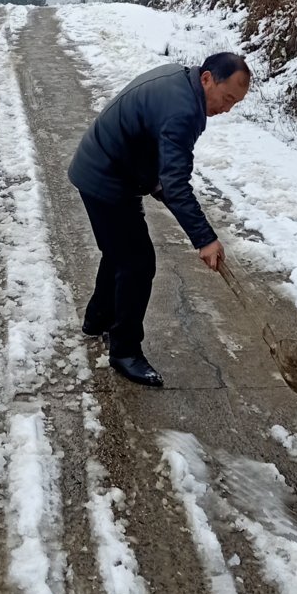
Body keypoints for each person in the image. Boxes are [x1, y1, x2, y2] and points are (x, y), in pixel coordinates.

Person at [68, 52, 251, 387]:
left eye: (235, 104)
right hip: (106, 177)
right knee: (137, 264)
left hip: (105, 166)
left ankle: (98, 319)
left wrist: (158, 184)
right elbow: (175, 182)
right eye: (227, 99)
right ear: (208, 78)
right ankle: (124, 351)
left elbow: (160, 163)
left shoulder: (181, 81)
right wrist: (205, 238)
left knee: (120, 250)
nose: (227, 109)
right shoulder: (183, 110)